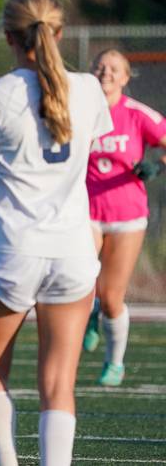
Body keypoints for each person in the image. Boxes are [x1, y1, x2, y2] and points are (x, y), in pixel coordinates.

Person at [0, 0, 112, 465]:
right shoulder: (87, 88)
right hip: (73, 251)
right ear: (58, 33)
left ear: (8, 37)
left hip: (12, 251)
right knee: (58, 384)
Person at [83, 49, 166, 386]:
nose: (106, 73)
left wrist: (156, 165)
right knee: (79, 280)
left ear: (127, 77)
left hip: (127, 215)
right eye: (100, 67)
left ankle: (114, 362)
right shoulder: (81, 110)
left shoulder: (136, 114)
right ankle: (90, 311)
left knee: (113, 297)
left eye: (114, 69)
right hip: (85, 210)